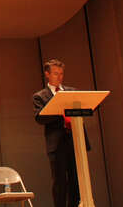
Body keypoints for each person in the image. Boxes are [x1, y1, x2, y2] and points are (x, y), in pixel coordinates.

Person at [32, 58, 88, 207]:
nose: (59, 76)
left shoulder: (72, 91)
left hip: (75, 140)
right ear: (47, 75)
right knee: (60, 182)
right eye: (56, 73)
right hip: (57, 144)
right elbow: (39, 117)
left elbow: (86, 106)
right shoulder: (40, 96)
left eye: (61, 73)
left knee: (77, 181)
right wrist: (59, 108)